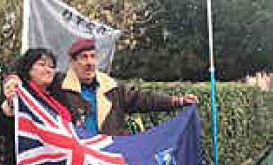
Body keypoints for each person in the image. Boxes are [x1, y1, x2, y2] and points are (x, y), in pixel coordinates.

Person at [50, 38, 199, 136]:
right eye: (84, 57)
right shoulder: (59, 86)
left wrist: (177, 101)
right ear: (72, 62)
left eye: (93, 56)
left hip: (111, 157)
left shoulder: (110, 87)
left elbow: (143, 100)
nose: (90, 62)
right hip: (77, 159)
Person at [0, 48, 63, 165]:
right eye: (42, 64)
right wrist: (10, 104)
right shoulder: (18, 92)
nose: (48, 70)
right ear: (28, 68)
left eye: (52, 66)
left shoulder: (59, 99)